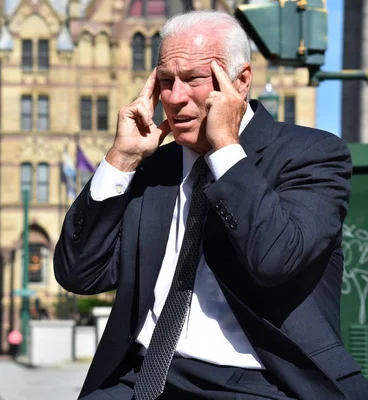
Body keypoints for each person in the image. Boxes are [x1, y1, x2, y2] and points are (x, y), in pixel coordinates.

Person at [54, 10, 368, 400]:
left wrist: (225, 149)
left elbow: (275, 259)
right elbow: (79, 274)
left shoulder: (313, 154)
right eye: (166, 81)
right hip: (146, 377)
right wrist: (121, 159)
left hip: (263, 383)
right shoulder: (155, 169)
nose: (175, 97)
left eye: (194, 79)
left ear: (241, 81)